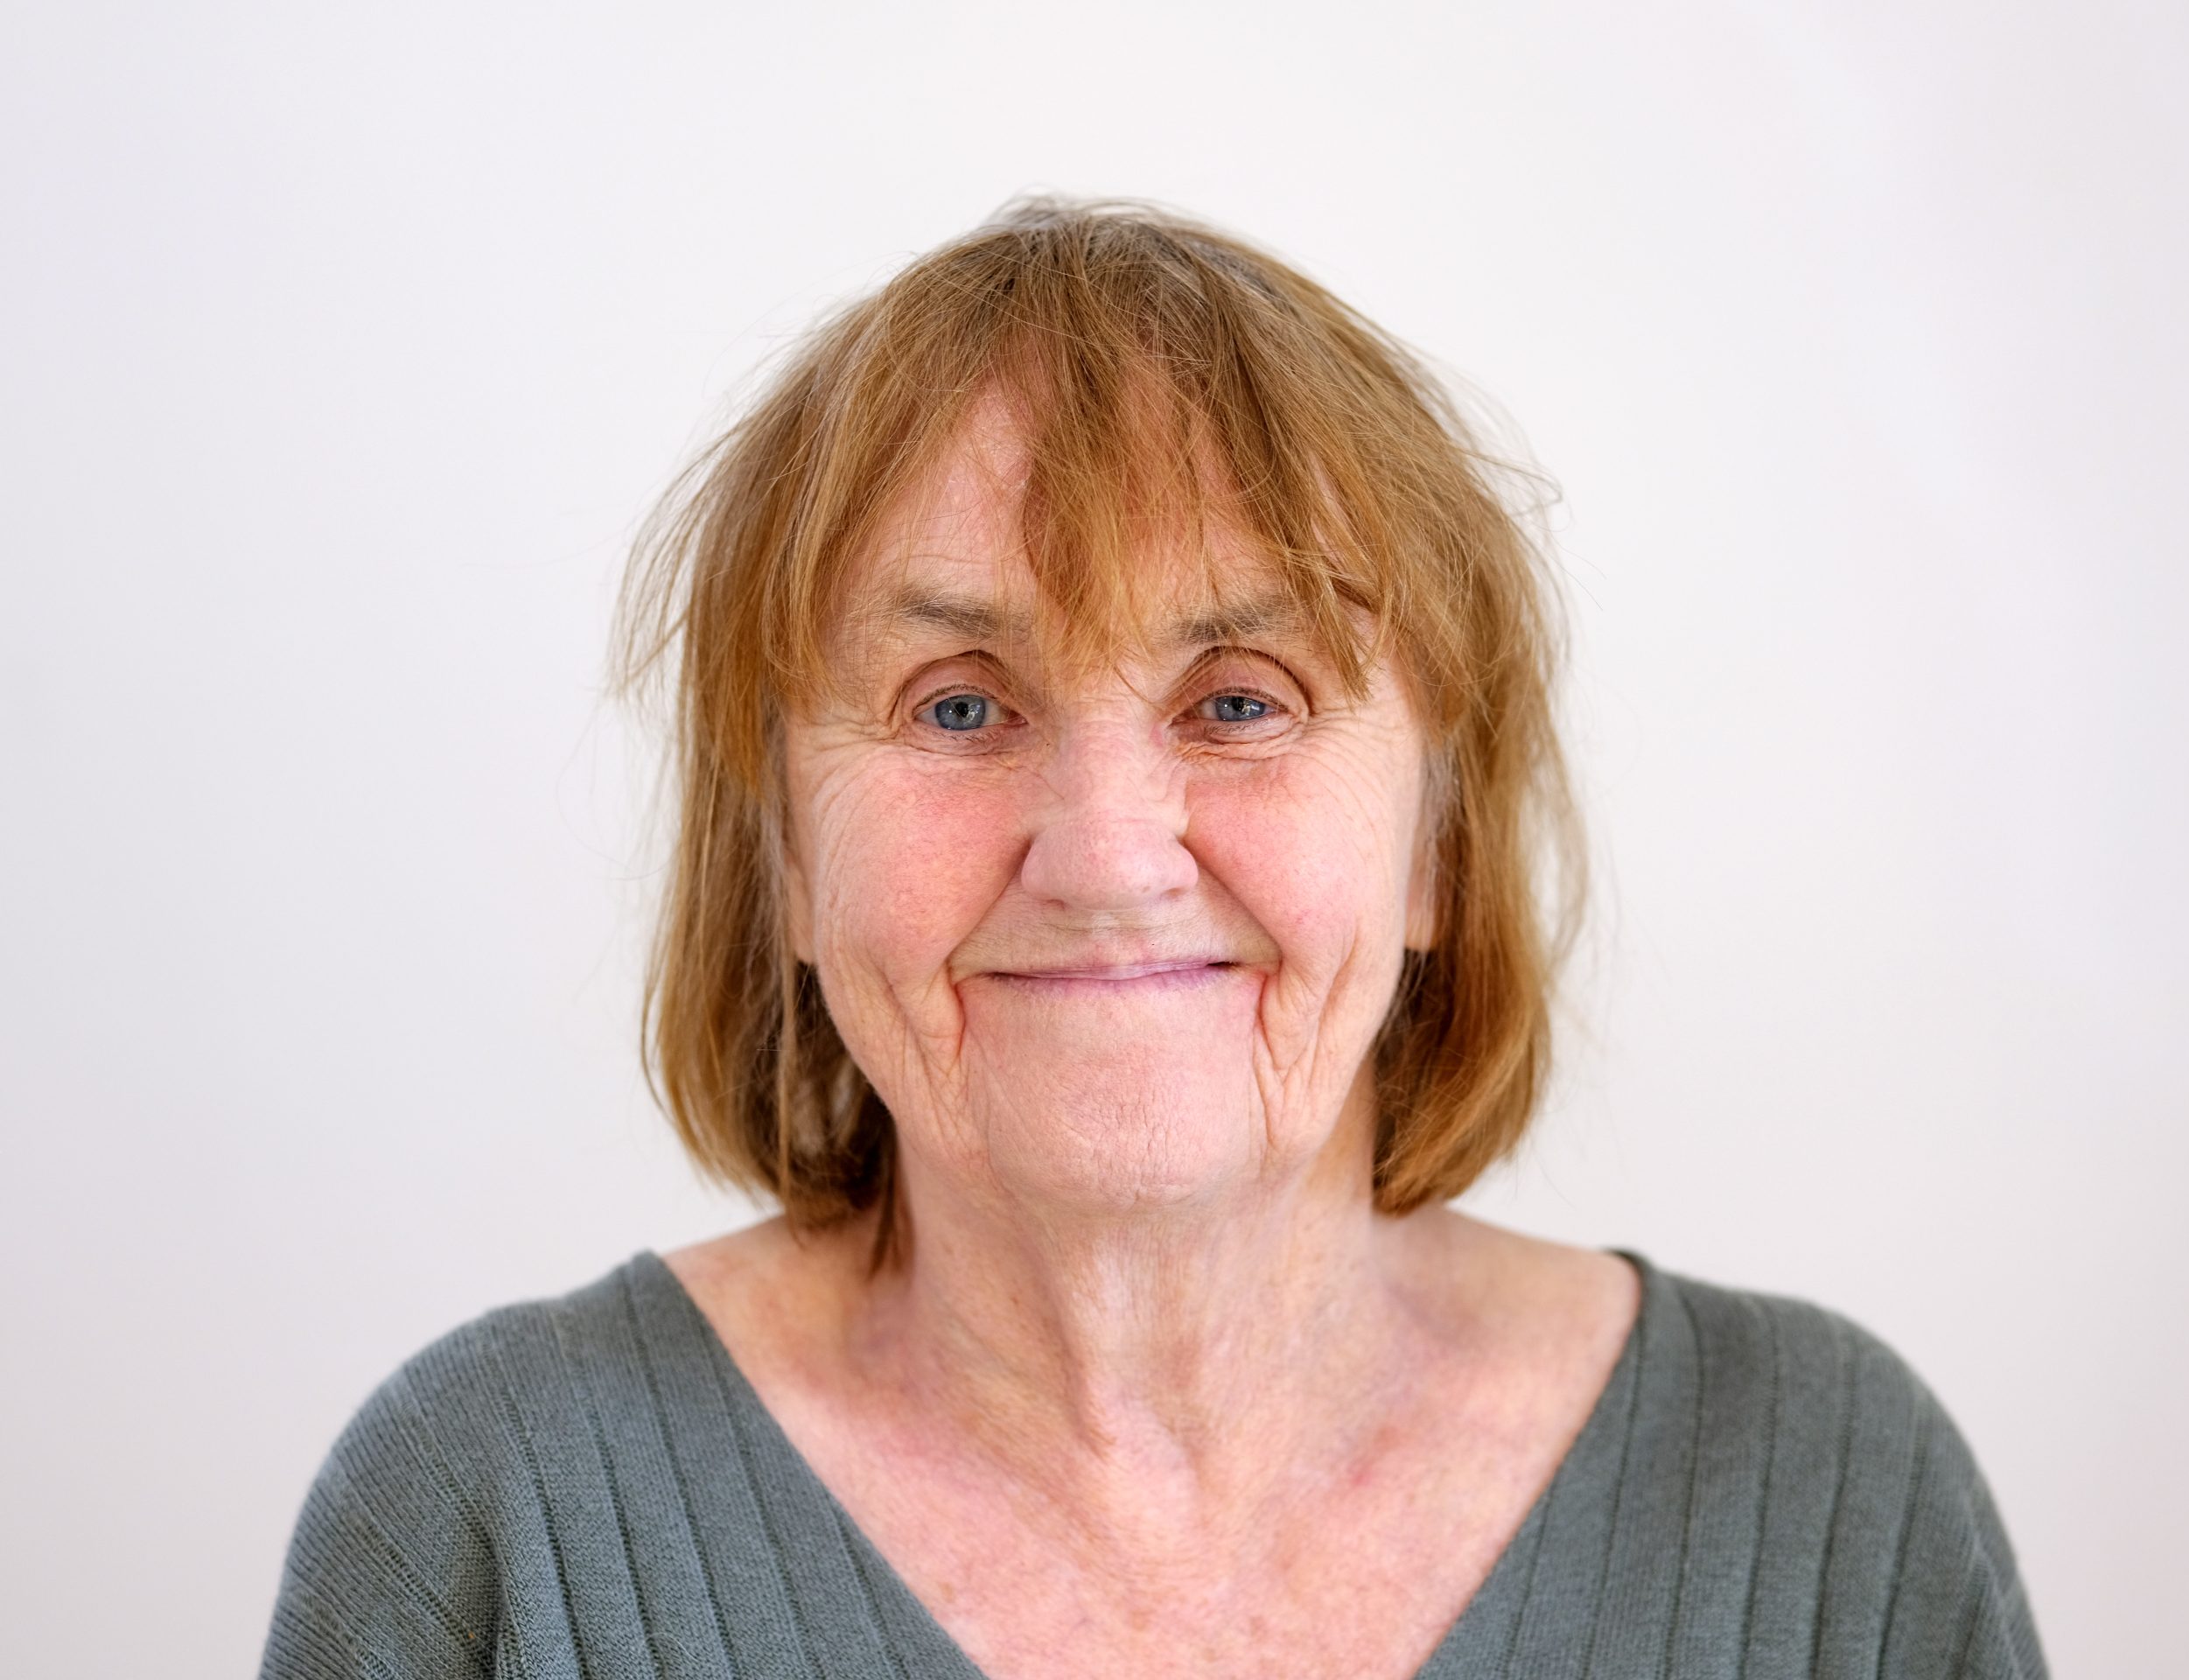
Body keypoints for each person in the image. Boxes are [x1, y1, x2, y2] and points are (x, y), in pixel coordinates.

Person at [258, 198, 2047, 1680]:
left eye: (1241, 701)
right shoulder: (487, 1512)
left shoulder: (1833, 1508)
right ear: (785, 857)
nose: (1107, 862)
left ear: (1435, 844)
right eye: (958, 707)